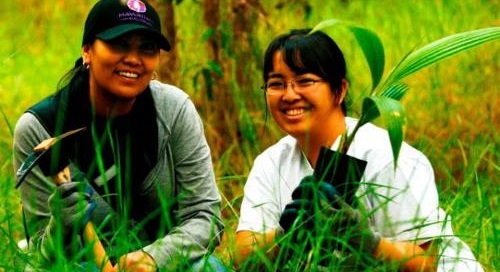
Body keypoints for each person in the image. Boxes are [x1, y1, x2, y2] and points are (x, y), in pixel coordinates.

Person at [234, 28, 484, 271]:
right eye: (276, 84)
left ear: (339, 90)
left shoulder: (388, 156)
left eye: (305, 81)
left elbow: (426, 263)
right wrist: (287, 235)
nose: (289, 95)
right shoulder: (270, 162)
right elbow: (242, 256)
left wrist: (364, 240)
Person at [13, 0, 225, 271]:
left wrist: (153, 258)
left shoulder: (174, 109)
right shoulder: (40, 128)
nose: (134, 59)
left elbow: (205, 216)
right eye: (119, 44)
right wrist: (60, 226)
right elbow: (41, 258)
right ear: (87, 51)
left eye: (147, 48)